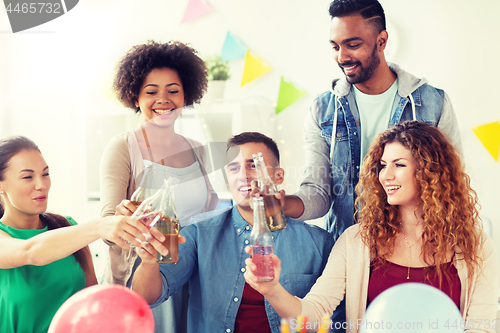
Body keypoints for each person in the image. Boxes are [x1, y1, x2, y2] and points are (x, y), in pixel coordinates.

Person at [245, 121, 498, 333]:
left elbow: (481, 326)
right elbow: (312, 316)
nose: (385, 175)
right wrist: (272, 288)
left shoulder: (476, 244)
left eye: (399, 165)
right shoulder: (357, 240)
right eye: (382, 166)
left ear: (430, 172)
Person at [283, 0, 462, 240]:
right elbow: (318, 192)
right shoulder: (323, 109)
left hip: (417, 249)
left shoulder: (433, 103)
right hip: (346, 249)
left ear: (382, 41)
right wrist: (282, 205)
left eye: (353, 45)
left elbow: (450, 186)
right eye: (335, 46)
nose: (342, 56)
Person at [130, 132, 335, 333]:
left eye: (253, 165)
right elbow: (147, 297)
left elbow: (333, 322)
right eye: (234, 168)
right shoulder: (198, 234)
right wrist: (149, 262)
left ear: (278, 176)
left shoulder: (319, 243)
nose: (243, 176)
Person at [100, 40, 219, 333]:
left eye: (173, 91)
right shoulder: (122, 147)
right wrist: (123, 219)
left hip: (191, 277)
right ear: (135, 96)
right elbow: (106, 226)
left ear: (186, 95)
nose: (163, 100)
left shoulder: (197, 149)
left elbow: (210, 212)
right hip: (141, 279)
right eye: (151, 92)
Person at [0, 136, 148, 333]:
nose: (41, 185)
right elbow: (31, 251)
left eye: (45, 174)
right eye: (28, 177)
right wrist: (100, 226)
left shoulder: (66, 226)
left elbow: (93, 305)